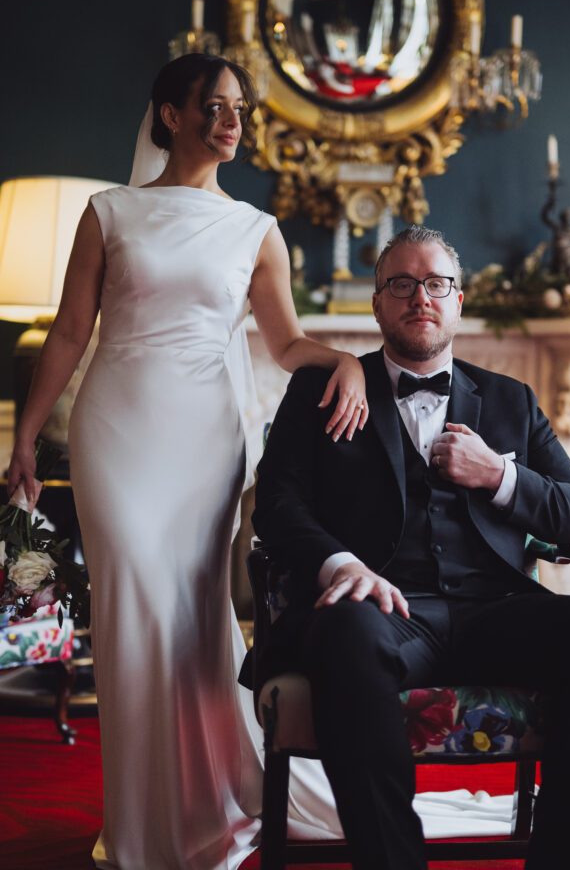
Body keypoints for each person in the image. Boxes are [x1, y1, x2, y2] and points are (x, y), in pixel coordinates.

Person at [6, 52, 369, 870]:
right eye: (215, 105)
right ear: (170, 115)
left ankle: (206, 803)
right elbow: (70, 332)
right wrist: (25, 437)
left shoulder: (256, 228)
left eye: (240, 108)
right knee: (131, 606)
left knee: (194, 615)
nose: (232, 121)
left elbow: (283, 343)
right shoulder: (110, 212)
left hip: (205, 438)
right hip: (116, 430)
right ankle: (140, 824)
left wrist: (344, 360)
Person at [250, 225, 570, 870]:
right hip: (382, 613)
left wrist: (499, 475)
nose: (421, 297)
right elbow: (276, 505)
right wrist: (342, 565)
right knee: (342, 634)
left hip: (497, 612)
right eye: (402, 284)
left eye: (437, 284)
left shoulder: (511, 400)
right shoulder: (320, 390)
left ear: (458, 302)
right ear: (378, 304)